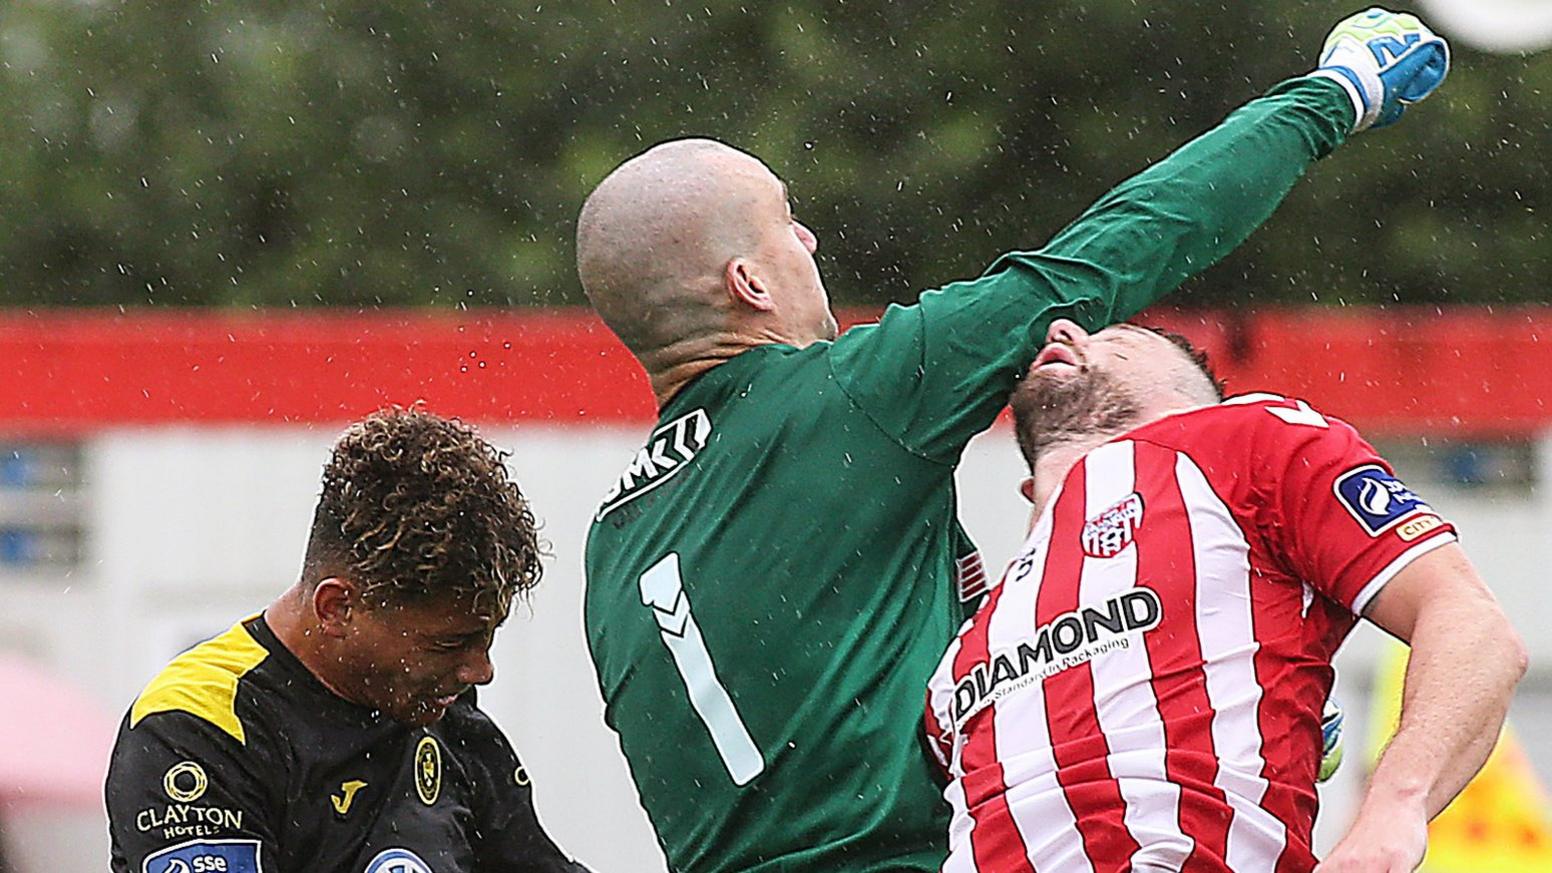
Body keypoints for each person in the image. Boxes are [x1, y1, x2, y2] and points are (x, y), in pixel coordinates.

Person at [577, 8, 1449, 871]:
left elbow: (841, 716)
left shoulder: (610, 544)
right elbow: (1118, 248)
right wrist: (1333, 97)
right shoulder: (851, 395)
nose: (808, 239)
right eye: (785, 221)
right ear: (749, 281)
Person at [924, 319, 1528, 872]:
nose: (1062, 329)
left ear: (1188, 398)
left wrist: (1391, 815)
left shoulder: (1246, 440)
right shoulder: (965, 647)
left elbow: (1470, 624)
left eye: (1121, 342)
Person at [105, 408, 588, 873]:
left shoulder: (444, 718)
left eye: (488, 637)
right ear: (336, 608)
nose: (480, 670)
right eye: (448, 644)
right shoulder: (196, 728)